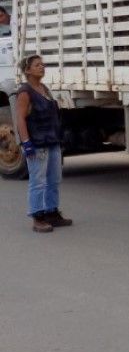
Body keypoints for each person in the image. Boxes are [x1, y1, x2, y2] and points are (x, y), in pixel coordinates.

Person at [14, 54, 71, 233]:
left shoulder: (43, 88)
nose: (42, 67)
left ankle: (52, 212)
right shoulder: (25, 92)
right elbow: (20, 120)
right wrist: (26, 143)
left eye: (43, 64)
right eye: (37, 65)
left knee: (54, 179)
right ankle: (38, 217)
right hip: (37, 144)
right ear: (28, 70)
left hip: (52, 141)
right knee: (37, 181)